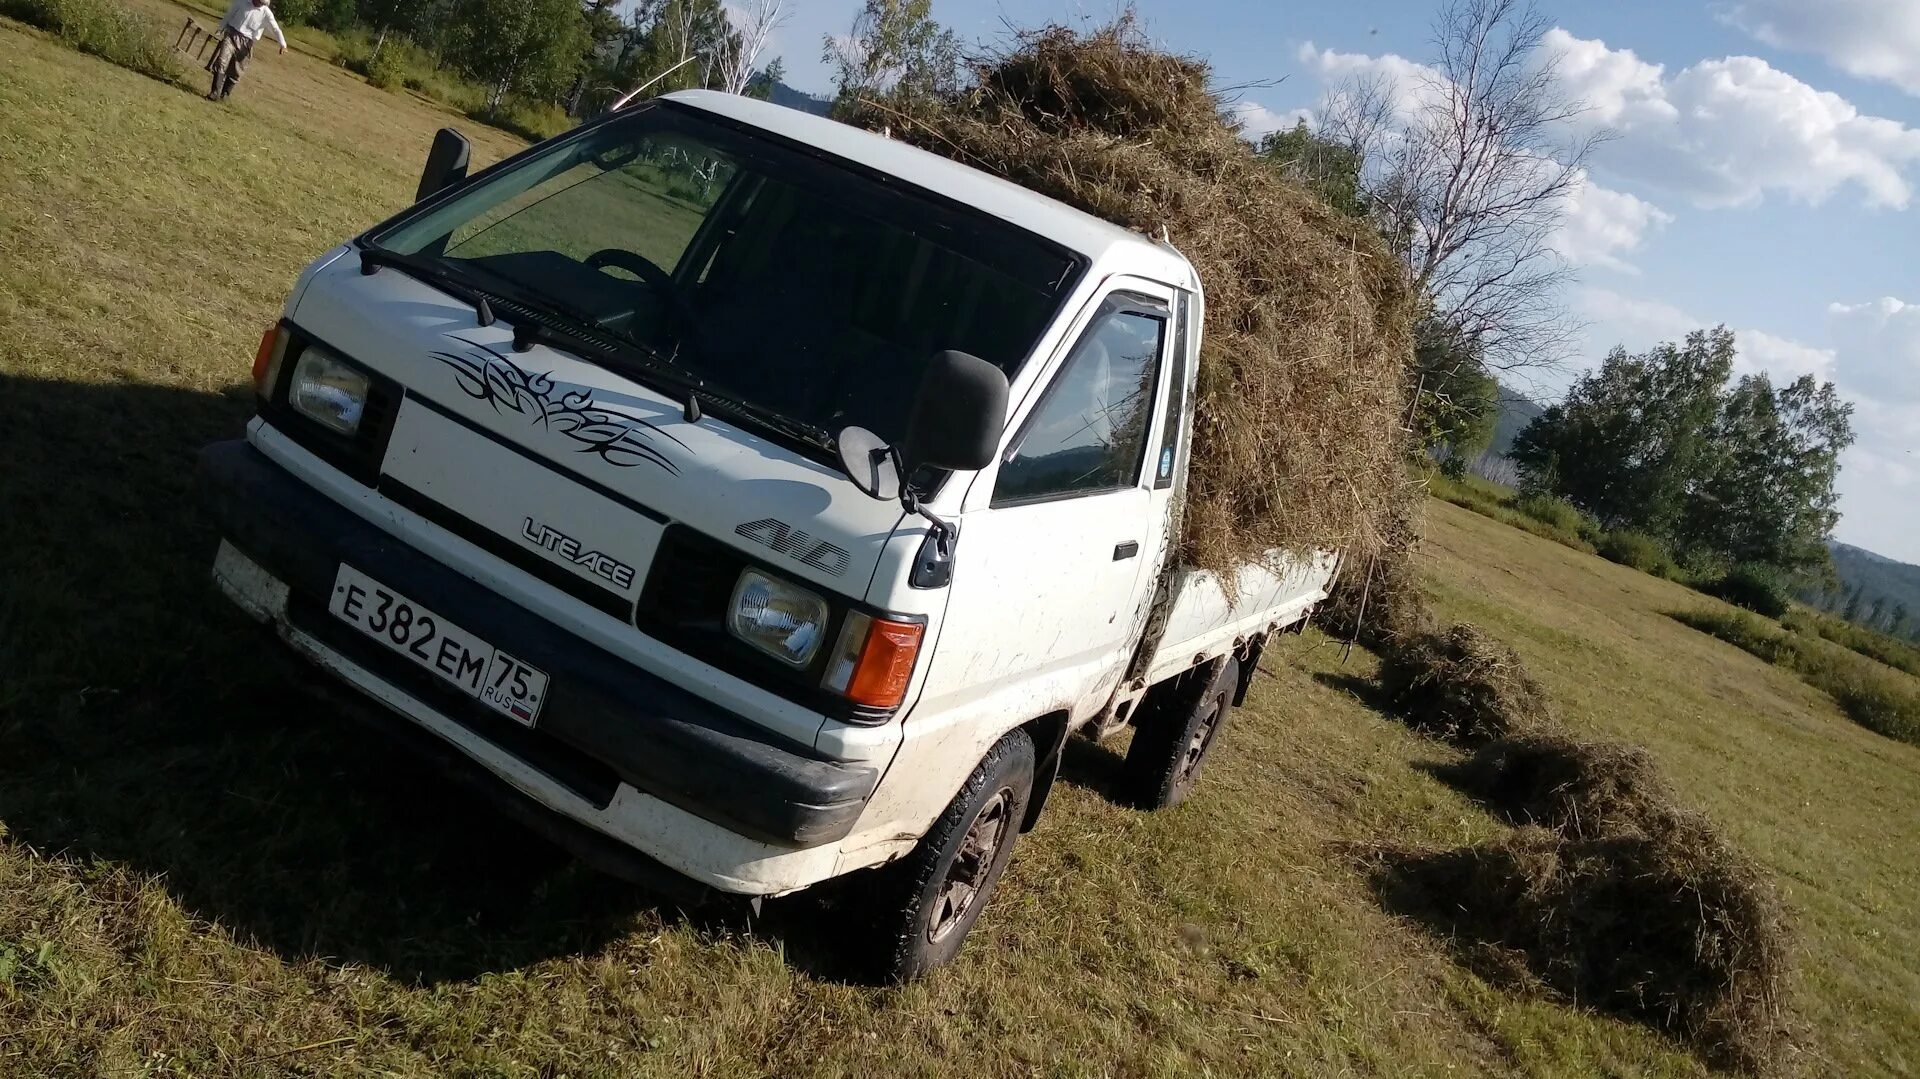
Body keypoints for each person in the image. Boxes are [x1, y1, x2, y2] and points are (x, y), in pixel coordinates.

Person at [207, 0, 287, 101]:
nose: (259, 3)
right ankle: (215, 93)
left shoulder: (266, 13)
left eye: (262, 3)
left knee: (237, 70)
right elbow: (229, 14)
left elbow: (275, 28)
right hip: (232, 35)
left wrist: (282, 44)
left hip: (247, 43)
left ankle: (225, 95)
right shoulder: (241, 2)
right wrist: (221, 28)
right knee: (221, 62)